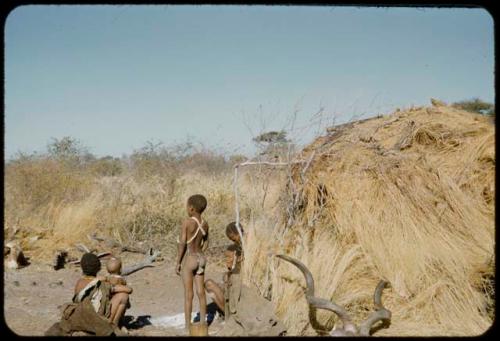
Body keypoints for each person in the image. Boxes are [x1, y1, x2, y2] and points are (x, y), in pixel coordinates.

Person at [45, 253, 129, 336]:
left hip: (81, 318)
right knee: (123, 296)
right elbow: (128, 290)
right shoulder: (101, 283)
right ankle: (113, 325)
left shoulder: (79, 282)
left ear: (82, 267)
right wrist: (109, 279)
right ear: (99, 268)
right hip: (96, 319)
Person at [175, 194, 210, 332]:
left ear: (191, 208)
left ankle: (187, 326)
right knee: (201, 292)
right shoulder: (205, 224)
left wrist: (178, 262)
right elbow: (206, 242)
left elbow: (183, 243)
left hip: (190, 258)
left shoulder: (187, 222)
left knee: (188, 294)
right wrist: (201, 251)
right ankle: (203, 323)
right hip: (201, 258)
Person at [204, 222, 244, 315]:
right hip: (233, 286)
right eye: (230, 239)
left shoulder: (253, 248)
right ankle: (228, 313)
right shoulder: (232, 248)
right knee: (209, 284)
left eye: (233, 237)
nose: (233, 240)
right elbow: (231, 269)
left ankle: (232, 314)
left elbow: (241, 272)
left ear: (238, 233)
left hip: (241, 288)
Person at [104, 257, 133, 327]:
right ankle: (117, 323)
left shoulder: (106, 278)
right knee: (123, 301)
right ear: (120, 269)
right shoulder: (121, 280)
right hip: (117, 302)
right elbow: (128, 289)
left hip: (108, 305)